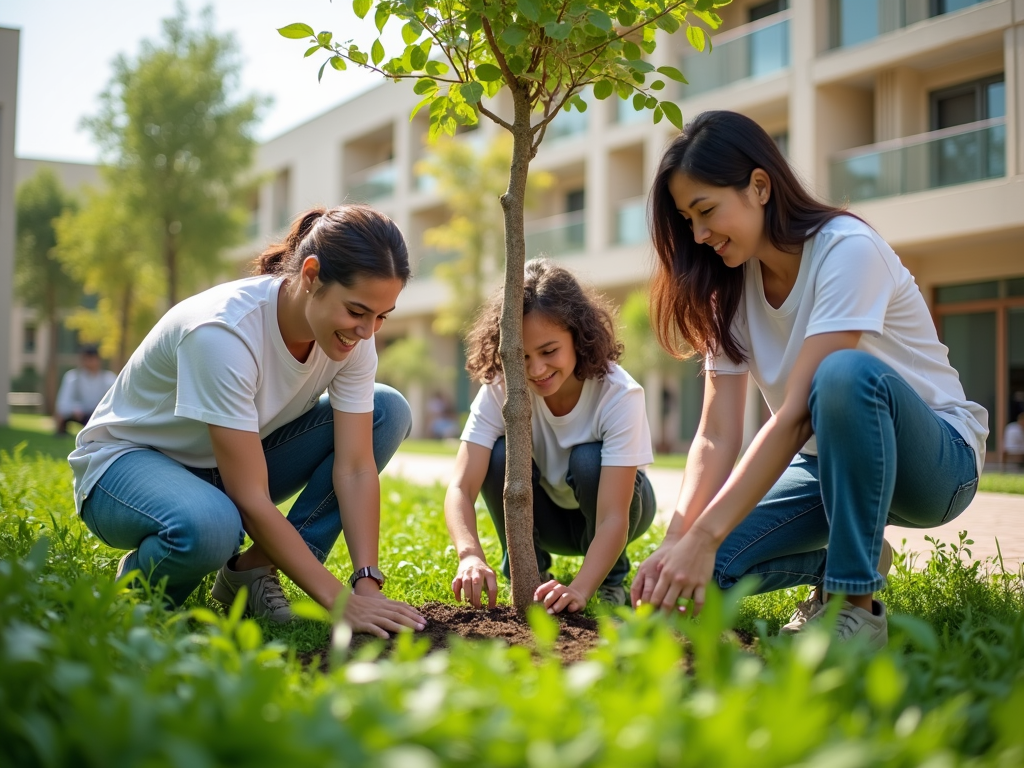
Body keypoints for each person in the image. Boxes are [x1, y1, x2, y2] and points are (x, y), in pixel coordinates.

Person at [631, 111, 988, 649]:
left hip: (937, 464)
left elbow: (798, 412)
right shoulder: (728, 289)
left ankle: (856, 608)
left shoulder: (847, 249)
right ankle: (849, 556)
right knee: (699, 580)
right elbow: (715, 433)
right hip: (824, 468)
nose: (699, 235)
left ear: (759, 186)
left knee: (844, 374)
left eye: (706, 210)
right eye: (687, 220)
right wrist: (681, 541)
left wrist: (707, 530)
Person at [69, 205, 426, 639]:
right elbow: (250, 497)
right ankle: (135, 594)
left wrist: (366, 585)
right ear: (311, 276)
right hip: (123, 467)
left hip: (224, 465)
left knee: (386, 412)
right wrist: (337, 602)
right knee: (213, 526)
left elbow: (354, 467)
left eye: (381, 316)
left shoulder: (352, 338)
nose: (368, 331)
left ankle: (252, 570)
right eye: (357, 312)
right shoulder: (223, 332)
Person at [445, 258, 657, 612]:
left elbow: (613, 517)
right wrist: (469, 555)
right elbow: (460, 487)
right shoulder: (502, 387)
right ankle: (529, 574)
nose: (537, 369)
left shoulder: (619, 394)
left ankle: (609, 579)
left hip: (620, 511)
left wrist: (581, 589)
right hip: (549, 517)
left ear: (578, 335)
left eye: (549, 351)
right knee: (499, 454)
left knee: (587, 460)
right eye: (522, 355)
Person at [54, 346, 116, 435]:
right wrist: (74, 409)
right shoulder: (73, 377)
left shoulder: (109, 378)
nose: (89, 362)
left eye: (92, 359)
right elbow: (63, 403)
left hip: (99, 414)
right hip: (78, 414)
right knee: (63, 416)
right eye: (86, 359)